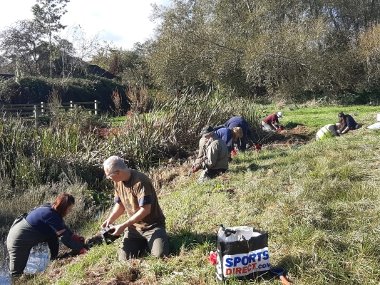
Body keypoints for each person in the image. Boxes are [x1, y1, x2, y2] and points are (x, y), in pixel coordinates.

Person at [102, 156, 169, 260]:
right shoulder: (117, 182)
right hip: (134, 229)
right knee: (123, 260)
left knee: (160, 256)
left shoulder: (140, 181)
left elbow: (145, 210)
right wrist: (110, 219)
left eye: (109, 176)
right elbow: (120, 205)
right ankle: (143, 243)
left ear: (118, 172)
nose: (109, 179)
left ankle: (154, 240)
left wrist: (123, 225)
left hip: (153, 226)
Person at [6, 193, 87, 277]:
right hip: (18, 240)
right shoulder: (51, 215)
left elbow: (61, 228)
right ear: (63, 208)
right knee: (16, 273)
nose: (70, 212)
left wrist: (73, 235)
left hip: (20, 231)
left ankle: (54, 258)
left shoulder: (51, 208)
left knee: (53, 234)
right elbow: (65, 239)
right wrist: (80, 248)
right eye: (69, 209)